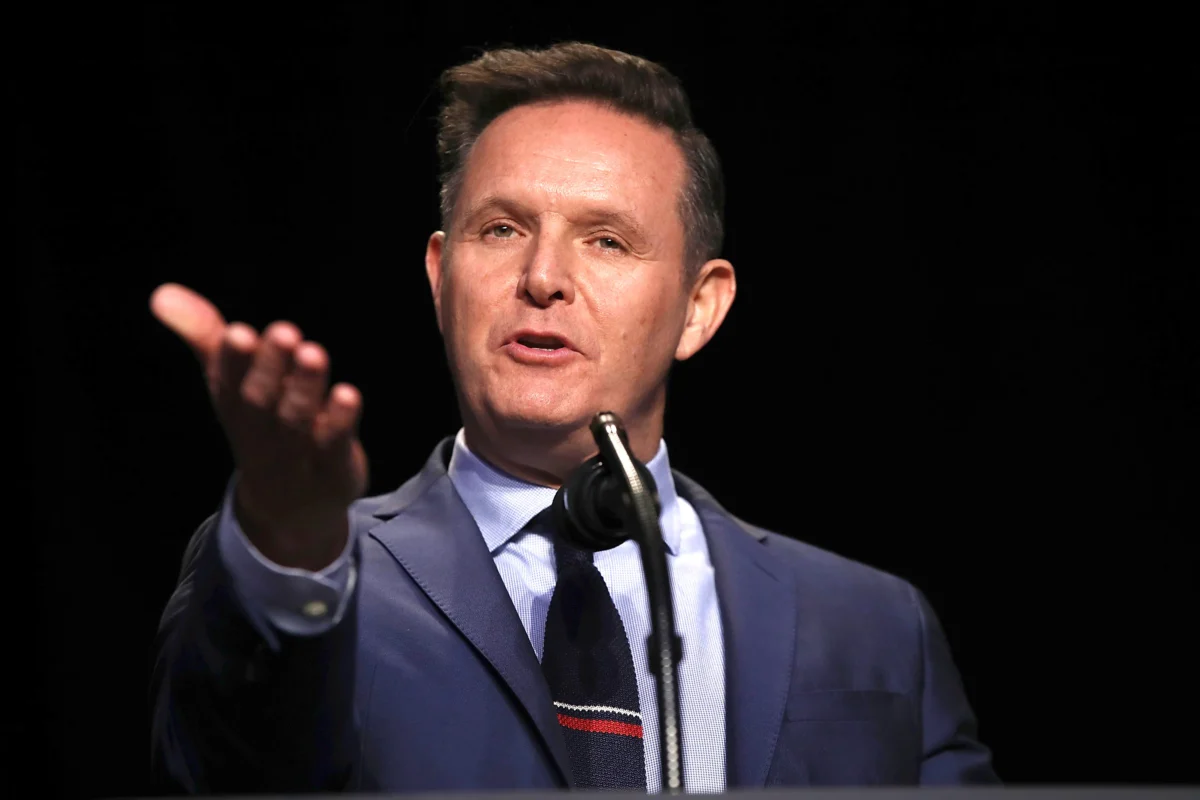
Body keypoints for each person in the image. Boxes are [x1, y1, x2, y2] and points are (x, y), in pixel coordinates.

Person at [149, 41, 998, 793]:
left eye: (607, 240)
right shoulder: (316, 579)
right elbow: (227, 764)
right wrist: (291, 543)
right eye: (502, 228)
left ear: (701, 307)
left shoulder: (874, 627)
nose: (544, 276)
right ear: (441, 279)